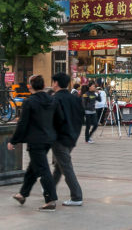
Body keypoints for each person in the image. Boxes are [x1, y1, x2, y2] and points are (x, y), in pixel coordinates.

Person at [8, 74, 58, 212]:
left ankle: (50, 200)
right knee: (33, 168)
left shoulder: (30, 102)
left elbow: (22, 123)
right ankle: (22, 194)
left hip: (36, 140)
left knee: (42, 169)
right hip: (49, 138)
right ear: (43, 86)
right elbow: (57, 119)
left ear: (30, 86)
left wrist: (14, 140)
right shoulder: (52, 100)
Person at [50, 72, 84, 206]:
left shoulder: (55, 99)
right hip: (72, 136)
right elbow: (81, 117)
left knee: (66, 167)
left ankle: (77, 196)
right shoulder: (75, 98)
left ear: (56, 83)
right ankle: (49, 189)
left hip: (59, 138)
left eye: (53, 82)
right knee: (60, 165)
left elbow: (54, 119)